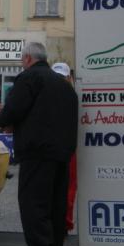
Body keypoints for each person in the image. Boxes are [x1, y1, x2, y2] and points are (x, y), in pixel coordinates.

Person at [0, 42, 77, 246]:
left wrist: (2, 121)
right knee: (56, 203)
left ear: (29, 59)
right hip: (62, 154)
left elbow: (13, 109)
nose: (22, 64)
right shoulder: (64, 86)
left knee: (34, 203)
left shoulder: (30, 78)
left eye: (22, 60)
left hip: (37, 152)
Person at [52, 62, 77, 233]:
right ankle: (61, 223)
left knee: (66, 188)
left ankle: (63, 223)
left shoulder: (72, 96)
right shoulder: (72, 95)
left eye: (62, 78)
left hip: (65, 150)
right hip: (61, 150)